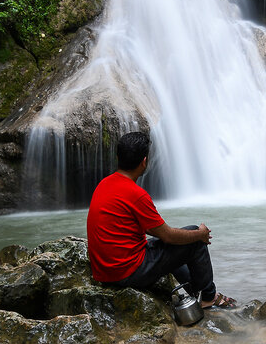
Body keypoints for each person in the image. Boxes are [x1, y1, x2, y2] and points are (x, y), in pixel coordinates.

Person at [87, 131, 236, 309]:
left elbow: (157, 234)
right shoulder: (135, 194)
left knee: (173, 243)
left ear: (118, 157)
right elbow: (168, 236)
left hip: (104, 271)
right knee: (194, 238)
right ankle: (209, 296)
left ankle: (196, 290)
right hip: (127, 273)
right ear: (144, 162)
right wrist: (200, 234)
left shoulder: (104, 184)